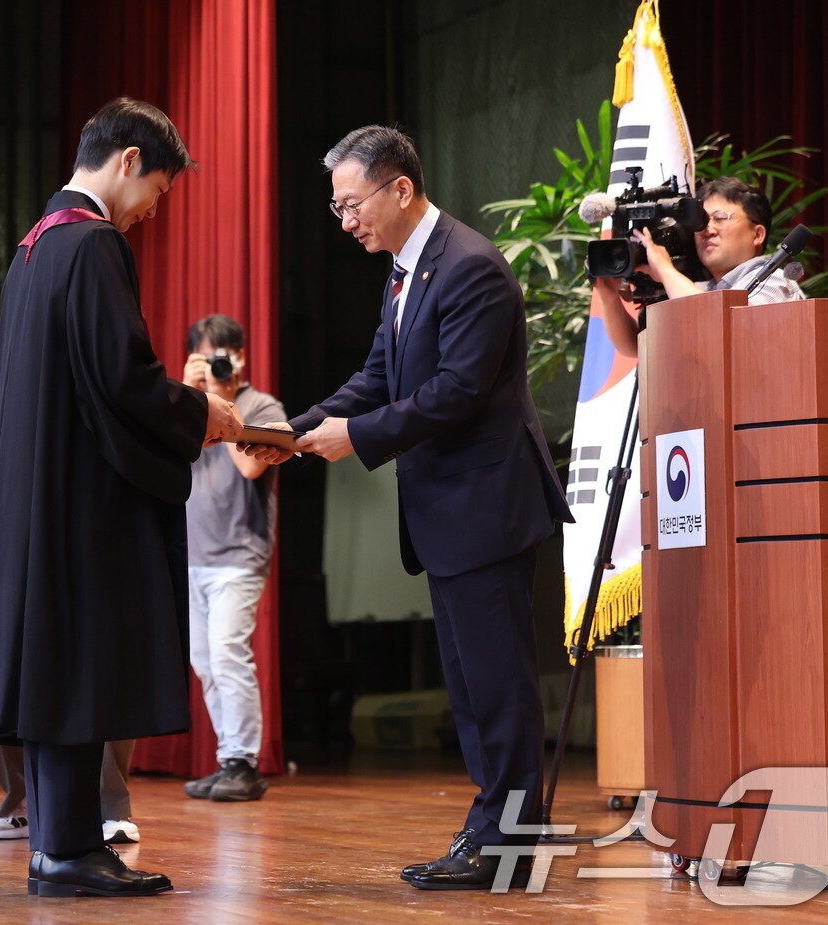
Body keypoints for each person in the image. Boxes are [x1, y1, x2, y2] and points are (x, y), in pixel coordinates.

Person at [244, 125, 571, 890]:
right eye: (336, 209)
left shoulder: (470, 268)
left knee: (498, 686)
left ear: (400, 188)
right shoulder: (406, 270)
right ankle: (493, 832)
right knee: (471, 686)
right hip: (449, 511)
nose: (346, 220)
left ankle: (512, 842)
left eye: (352, 203)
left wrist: (353, 436)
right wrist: (286, 433)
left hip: (486, 505)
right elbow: (379, 374)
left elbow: (455, 393)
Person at [0, 97, 242, 898]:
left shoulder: (34, 247)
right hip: (78, 501)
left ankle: (61, 844)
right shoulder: (92, 244)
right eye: (157, 190)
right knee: (81, 665)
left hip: (35, 494)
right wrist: (204, 415)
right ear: (127, 160)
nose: (152, 212)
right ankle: (65, 849)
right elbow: (122, 380)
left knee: (61, 669)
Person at [0, 436, 141, 845]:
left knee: (97, 684)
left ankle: (110, 810)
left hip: (80, 562)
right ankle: (20, 805)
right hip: (15, 570)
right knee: (9, 684)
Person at [179, 314, 284, 803]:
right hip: (193, 553)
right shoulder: (186, 405)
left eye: (226, 354)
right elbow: (165, 453)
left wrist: (226, 400)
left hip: (240, 554)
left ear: (241, 358)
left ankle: (244, 763)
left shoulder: (262, 405)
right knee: (205, 661)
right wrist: (185, 394)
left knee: (227, 652)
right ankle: (229, 761)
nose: (220, 363)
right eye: (208, 355)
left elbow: (247, 466)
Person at [596, 177, 805, 358]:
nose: (708, 230)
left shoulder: (775, 281)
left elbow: (723, 326)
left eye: (720, 218)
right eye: (701, 223)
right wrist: (609, 297)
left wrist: (665, 270)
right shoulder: (700, 290)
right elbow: (636, 346)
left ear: (757, 234)